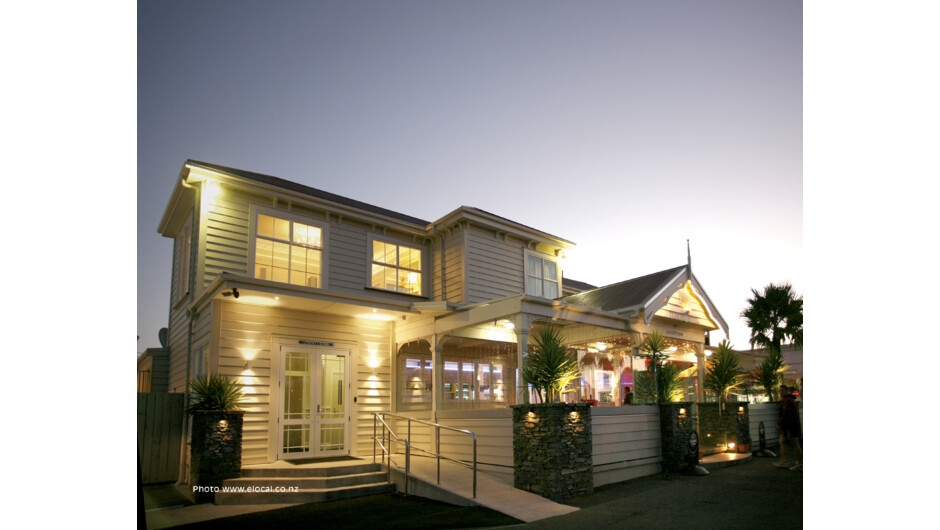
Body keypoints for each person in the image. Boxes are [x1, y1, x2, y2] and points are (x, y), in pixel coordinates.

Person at [774, 385, 803, 471]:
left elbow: (785, 414)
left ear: (787, 391)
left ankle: (800, 462)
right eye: (780, 391)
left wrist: (780, 423)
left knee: (794, 443)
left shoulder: (787, 401)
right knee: (784, 441)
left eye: (782, 390)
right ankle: (785, 460)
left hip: (790, 426)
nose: (781, 392)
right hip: (790, 425)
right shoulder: (789, 400)